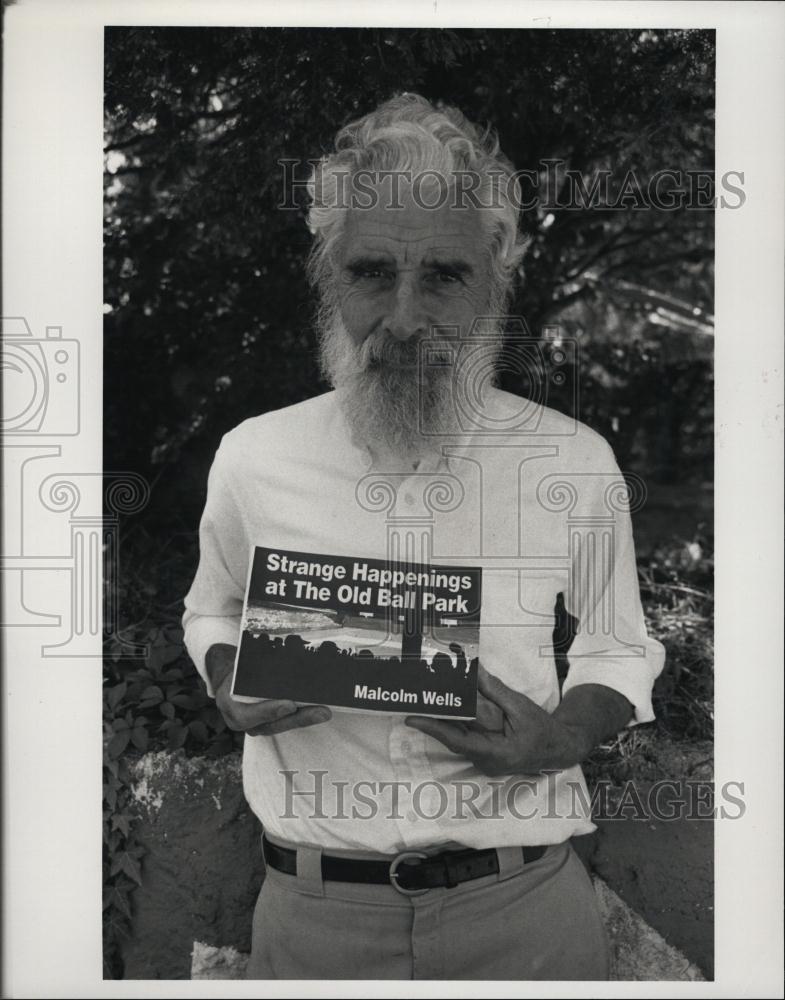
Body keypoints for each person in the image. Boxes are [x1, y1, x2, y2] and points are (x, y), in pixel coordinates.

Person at [182, 93, 665, 980]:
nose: (404, 319)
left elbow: (618, 645)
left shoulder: (571, 459)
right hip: (313, 921)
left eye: (443, 275)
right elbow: (211, 608)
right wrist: (224, 676)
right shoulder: (254, 456)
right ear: (329, 279)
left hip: (524, 913)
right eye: (371, 272)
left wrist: (561, 737)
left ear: (495, 280)